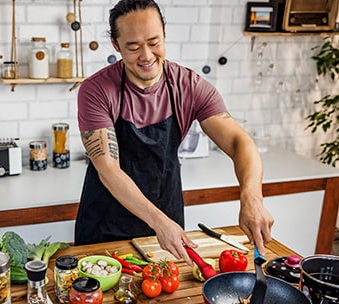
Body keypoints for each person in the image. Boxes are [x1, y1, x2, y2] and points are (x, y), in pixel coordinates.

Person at [75, 0, 274, 264]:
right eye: (133, 47)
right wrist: (159, 222)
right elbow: (108, 168)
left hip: (167, 218)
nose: (146, 56)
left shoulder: (189, 86)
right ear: (116, 45)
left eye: (154, 42)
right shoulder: (96, 91)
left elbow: (240, 143)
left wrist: (252, 197)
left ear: (164, 34)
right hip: (106, 225)